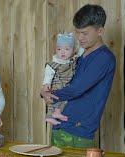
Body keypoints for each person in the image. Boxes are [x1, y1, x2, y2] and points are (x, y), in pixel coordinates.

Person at [40, 4, 116, 148]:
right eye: (77, 32)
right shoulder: (78, 56)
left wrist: (49, 94)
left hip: (78, 132)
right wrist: (45, 89)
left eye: (85, 33)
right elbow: (63, 80)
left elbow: (77, 88)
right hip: (60, 125)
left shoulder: (104, 58)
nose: (80, 38)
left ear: (100, 31)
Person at [42, 32, 83, 126]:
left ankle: (52, 116)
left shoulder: (72, 59)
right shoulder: (54, 63)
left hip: (66, 85)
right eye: (59, 49)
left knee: (64, 100)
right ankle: (51, 115)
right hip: (57, 84)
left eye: (67, 49)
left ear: (73, 50)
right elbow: (48, 75)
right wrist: (46, 84)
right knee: (54, 100)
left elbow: (81, 51)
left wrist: (80, 45)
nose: (62, 52)